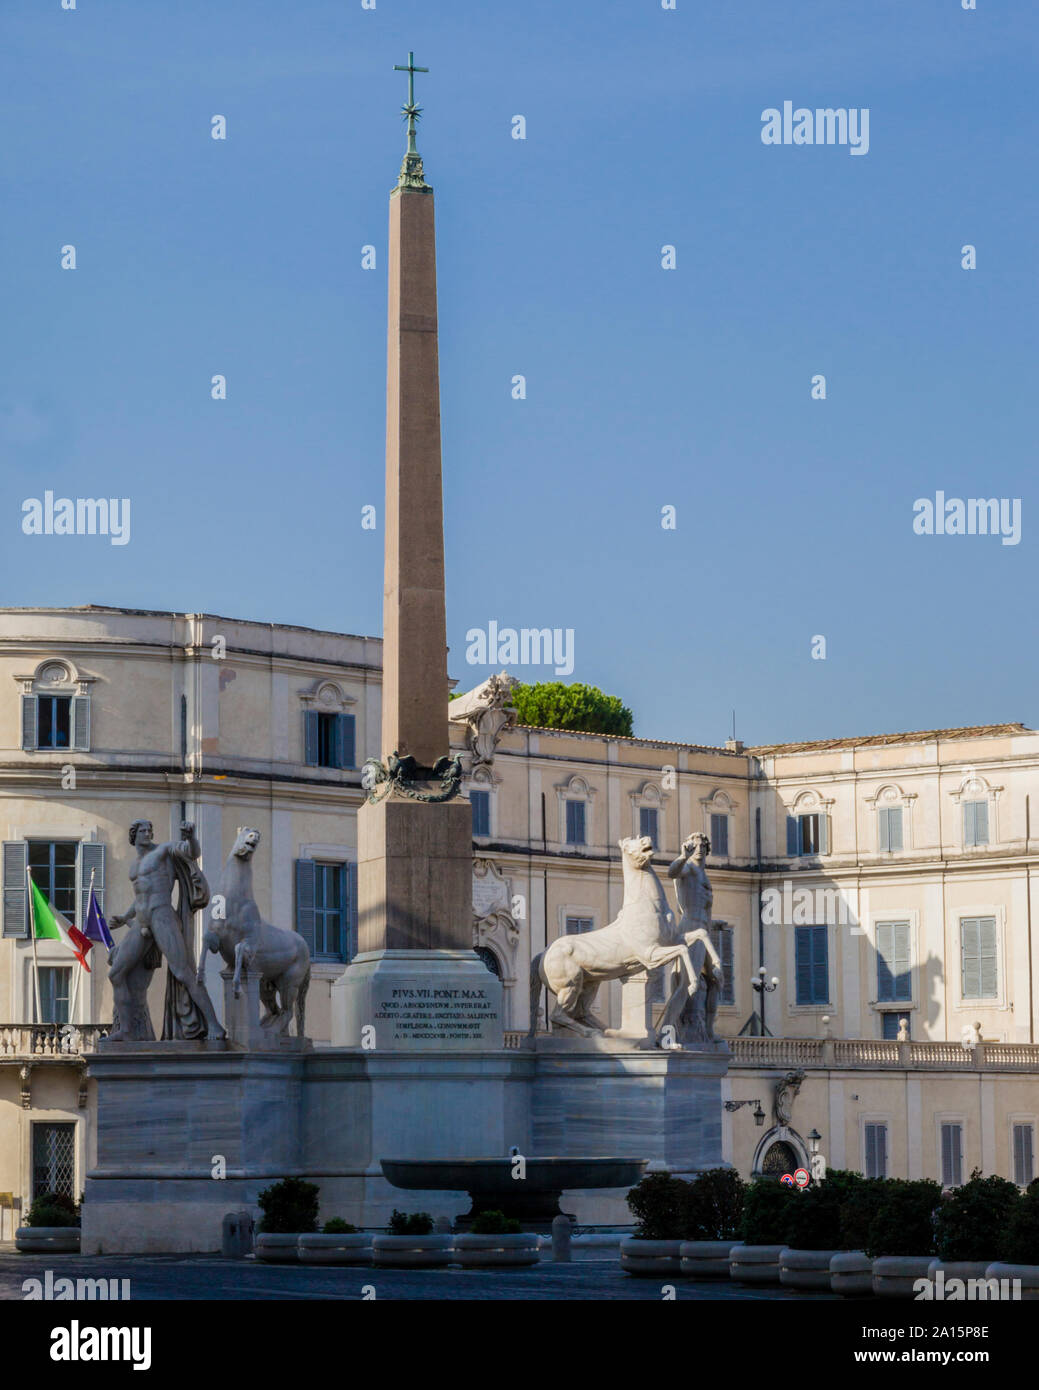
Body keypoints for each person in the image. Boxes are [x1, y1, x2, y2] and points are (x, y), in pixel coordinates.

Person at [108, 819, 225, 1041]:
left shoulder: (163, 851)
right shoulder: (134, 866)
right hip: (142, 922)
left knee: (183, 973)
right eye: (142, 831)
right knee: (116, 973)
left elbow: (191, 852)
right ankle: (125, 1030)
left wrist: (190, 836)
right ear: (133, 835)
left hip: (162, 916)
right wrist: (125, 917)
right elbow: (140, 896)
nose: (147, 833)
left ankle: (214, 1025)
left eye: (150, 830)